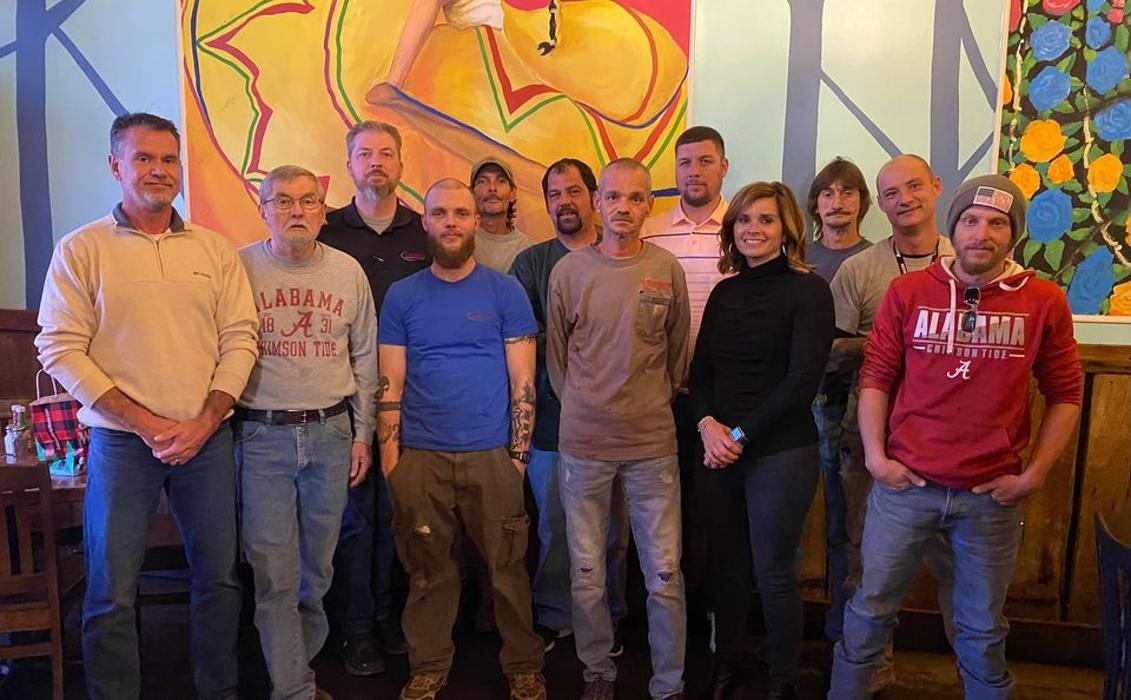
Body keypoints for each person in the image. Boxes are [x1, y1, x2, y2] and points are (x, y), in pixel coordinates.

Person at [828, 174, 1083, 698]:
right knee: (869, 610)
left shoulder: (1042, 300)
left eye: (997, 223)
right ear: (955, 225)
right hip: (905, 489)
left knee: (982, 628)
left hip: (989, 498)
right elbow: (876, 377)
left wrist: (1033, 475)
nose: (981, 233)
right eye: (970, 220)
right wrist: (876, 457)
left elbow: (1066, 394)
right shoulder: (908, 291)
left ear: (1013, 233)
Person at [35, 112, 258, 699]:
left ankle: (219, 691)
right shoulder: (81, 249)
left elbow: (241, 338)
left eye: (168, 159)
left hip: (207, 440)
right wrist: (147, 423)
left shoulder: (214, 250)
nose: (159, 170)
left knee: (219, 580)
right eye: (143, 158)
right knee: (110, 589)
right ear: (116, 166)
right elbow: (58, 346)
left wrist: (204, 420)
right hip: (121, 443)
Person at [377, 179, 546, 700]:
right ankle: (428, 665)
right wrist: (392, 462)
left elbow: (523, 380)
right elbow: (390, 383)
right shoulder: (402, 295)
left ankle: (523, 665)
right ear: (425, 221)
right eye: (439, 213)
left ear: (476, 221)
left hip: (492, 454)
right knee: (427, 572)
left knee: (507, 571)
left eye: (460, 213)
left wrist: (517, 458)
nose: (450, 222)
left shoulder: (505, 291)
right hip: (420, 457)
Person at [547, 158, 690, 700]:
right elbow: (557, 359)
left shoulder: (666, 269)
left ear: (648, 204)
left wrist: (647, 404)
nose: (623, 208)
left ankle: (669, 683)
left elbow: (677, 355)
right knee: (586, 570)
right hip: (584, 445)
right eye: (612, 197)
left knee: (665, 573)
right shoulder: (569, 273)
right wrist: (586, 408)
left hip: (652, 445)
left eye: (635, 197)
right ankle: (597, 672)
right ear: (597, 203)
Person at [235, 165, 378, 699]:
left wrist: (363, 434)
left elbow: (365, 357)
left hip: (330, 434)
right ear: (263, 210)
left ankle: (295, 671)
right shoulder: (239, 268)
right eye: (283, 201)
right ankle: (294, 688)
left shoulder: (347, 271)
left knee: (316, 574)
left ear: (323, 210)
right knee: (274, 576)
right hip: (262, 436)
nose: (297, 211)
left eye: (308, 201)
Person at [691, 182, 834, 700]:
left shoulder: (809, 291)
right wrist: (707, 425)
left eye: (766, 220)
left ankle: (782, 679)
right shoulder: (724, 293)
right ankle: (728, 664)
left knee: (773, 571)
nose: (753, 229)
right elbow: (700, 372)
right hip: (719, 448)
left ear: (786, 228)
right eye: (744, 220)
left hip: (780, 449)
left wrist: (739, 434)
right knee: (726, 567)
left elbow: (801, 382)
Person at [827, 153, 957, 690]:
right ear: (879, 204)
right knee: (864, 559)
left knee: (960, 569)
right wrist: (894, 344)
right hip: (871, 440)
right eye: (891, 193)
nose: (905, 199)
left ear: (936, 186)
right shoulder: (859, 269)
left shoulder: (969, 259)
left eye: (914, 186)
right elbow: (830, 353)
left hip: (953, 443)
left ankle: (971, 673)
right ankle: (870, 671)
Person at [510, 158, 630, 653]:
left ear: (595, 197)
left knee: (612, 532)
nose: (564, 202)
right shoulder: (531, 264)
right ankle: (557, 614)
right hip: (551, 423)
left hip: (616, 424)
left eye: (574, 191)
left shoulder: (623, 257)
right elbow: (524, 340)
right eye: (554, 194)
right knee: (556, 528)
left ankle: (610, 615)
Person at [320, 121, 427, 675]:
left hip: (414, 399)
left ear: (401, 164)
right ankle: (356, 626)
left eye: (386, 153)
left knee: (400, 515)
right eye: (365, 154)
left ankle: (390, 618)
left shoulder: (424, 231)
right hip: (345, 397)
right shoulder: (327, 231)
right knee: (355, 520)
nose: (376, 162)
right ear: (349, 165)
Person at [641, 126, 730, 637]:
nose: (694, 171)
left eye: (705, 161)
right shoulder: (652, 232)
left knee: (712, 507)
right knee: (660, 508)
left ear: (724, 167)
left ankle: (708, 615)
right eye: (685, 163)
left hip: (720, 398)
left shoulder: (741, 228)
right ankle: (660, 617)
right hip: (662, 394)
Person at [803, 157, 873, 643]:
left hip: (851, 408)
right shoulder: (798, 259)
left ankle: (844, 634)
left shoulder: (875, 261)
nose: (837, 202)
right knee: (789, 520)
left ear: (862, 203)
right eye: (827, 193)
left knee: (848, 527)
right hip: (795, 405)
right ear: (815, 205)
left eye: (848, 192)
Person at [471, 156, 533, 273]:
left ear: (512, 193)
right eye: (483, 181)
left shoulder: (528, 249)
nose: (492, 188)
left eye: (501, 181)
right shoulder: (460, 241)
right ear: (471, 193)